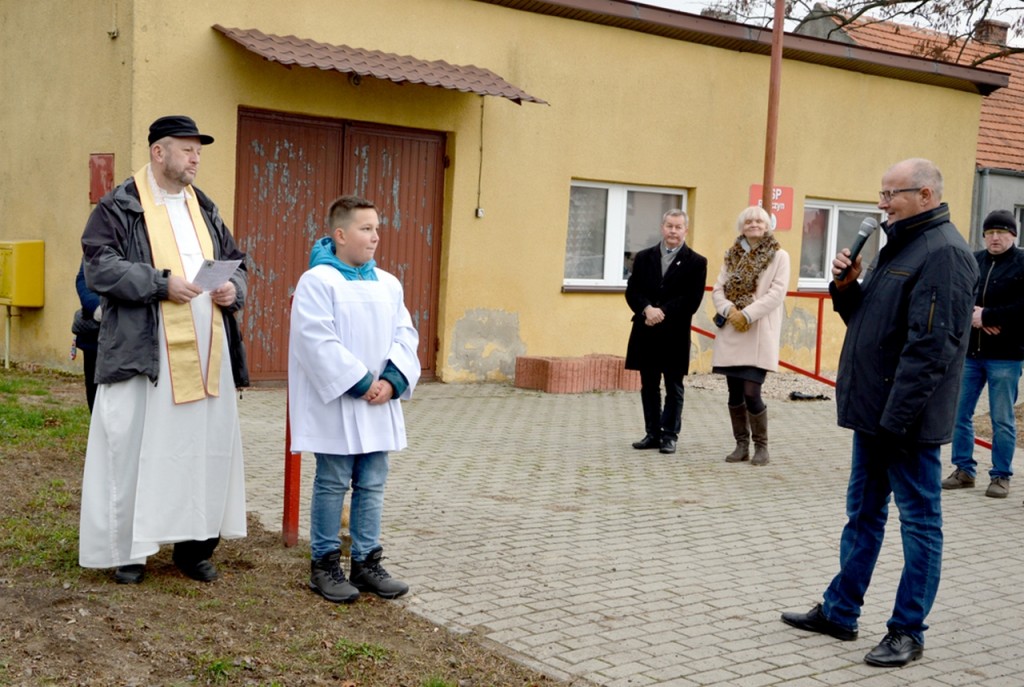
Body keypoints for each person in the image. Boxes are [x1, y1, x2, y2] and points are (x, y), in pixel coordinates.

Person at [781, 158, 978, 667]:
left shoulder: (945, 254)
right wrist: (848, 288)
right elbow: (869, 323)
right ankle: (840, 611)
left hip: (905, 423)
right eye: (882, 193)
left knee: (920, 524)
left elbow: (931, 348)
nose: (882, 203)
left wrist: (896, 422)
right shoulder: (901, 248)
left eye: (894, 194)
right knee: (863, 515)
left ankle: (907, 630)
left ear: (927, 195)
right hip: (875, 414)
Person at [79, 115, 250, 585]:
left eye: (199, 150)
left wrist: (233, 290)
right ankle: (129, 551)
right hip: (145, 357)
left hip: (206, 356)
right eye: (187, 148)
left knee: (199, 451)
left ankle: (193, 548)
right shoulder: (119, 206)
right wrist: (159, 284)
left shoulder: (206, 206)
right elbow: (100, 268)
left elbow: (236, 263)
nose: (196, 157)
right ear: (159, 152)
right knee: (136, 449)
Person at [288, 194, 420, 604]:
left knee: (373, 483)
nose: (375, 237)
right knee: (332, 481)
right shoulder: (317, 281)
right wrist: (363, 383)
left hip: (380, 401)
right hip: (340, 402)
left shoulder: (388, 283)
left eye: (378, 228)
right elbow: (315, 341)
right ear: (340, 234)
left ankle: (366, 563)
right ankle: (325, 564)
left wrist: (393, 381)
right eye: (366, 229)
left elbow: (406, 335)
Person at [942, 209, 1024, 499]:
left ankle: (1001, 476)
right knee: (958, 413)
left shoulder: (1022, 263)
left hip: (1006, 355)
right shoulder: (973, 260)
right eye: (989, 233)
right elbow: (957, 297)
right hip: (969, 354)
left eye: (1001, 232)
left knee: (1001, 419)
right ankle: (964, 470)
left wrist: (987, 316)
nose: (995, 238)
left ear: (1013, 235)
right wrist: (973, 318)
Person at [710, 205, 790, 466]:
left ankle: (761, 447)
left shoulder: (779, 256)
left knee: (751, 392)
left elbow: (776, 294)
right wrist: (729, 310)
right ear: (742, 226)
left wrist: (746, 315)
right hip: (732, 330)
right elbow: (717, 290)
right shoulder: (731, 256)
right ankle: (741, 445)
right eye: (749, 221)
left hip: (757, 331)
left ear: (767, 226)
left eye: (759, 220)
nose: (754, 224)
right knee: (734, 394)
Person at [624, 209, 708, 454]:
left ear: (685, 230)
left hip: (674, 333)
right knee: (648, 385)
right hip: (646, 330)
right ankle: (652, 434)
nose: (673, 231)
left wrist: (661, 312)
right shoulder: (643, 257)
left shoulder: (696, 262)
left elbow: (692, 300)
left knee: (674, 385)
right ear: (662, 227)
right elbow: (632, 291)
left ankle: (669, 435)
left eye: (678, 227)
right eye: (669, 226)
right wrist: (646, 309)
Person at [72, 259, 101, 412]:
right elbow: (83, 279)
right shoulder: (100, 238)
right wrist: (97, 308)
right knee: (95, 396)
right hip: (97, 335)